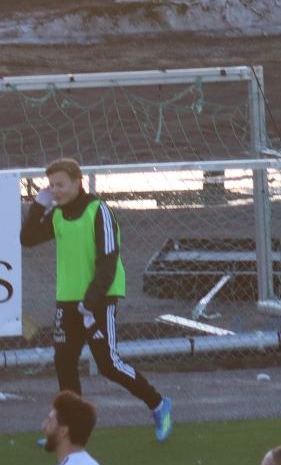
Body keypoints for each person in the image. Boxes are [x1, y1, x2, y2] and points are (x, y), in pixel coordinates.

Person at [20, 157, 172, 442]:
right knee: (64, 362)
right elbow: (27, 238)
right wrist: (38, 205)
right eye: (52, 186)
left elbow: (108, 260)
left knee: (108, 364)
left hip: (99, 299)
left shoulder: (98, 211)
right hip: (68, 300)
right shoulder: (57, 214)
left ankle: (159, 404)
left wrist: (90, 301)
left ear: (78, 182)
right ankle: (70, 430)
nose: (56, 190)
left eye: (61, 184)